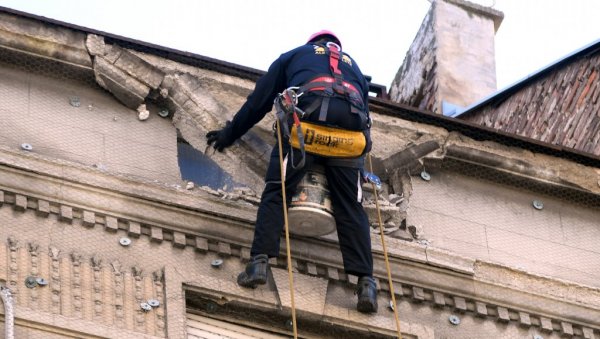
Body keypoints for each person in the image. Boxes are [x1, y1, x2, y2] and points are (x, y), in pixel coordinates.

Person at [206, 30, 377, 313]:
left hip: (304, 127)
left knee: (277, 191)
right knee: (351, 206)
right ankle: (366, 285)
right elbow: (365, 115)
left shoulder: (294, 56)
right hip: (348, 138)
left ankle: (259, 263)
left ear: (313, 44)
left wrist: (228, 135)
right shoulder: (354, 67)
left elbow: (257, 103)